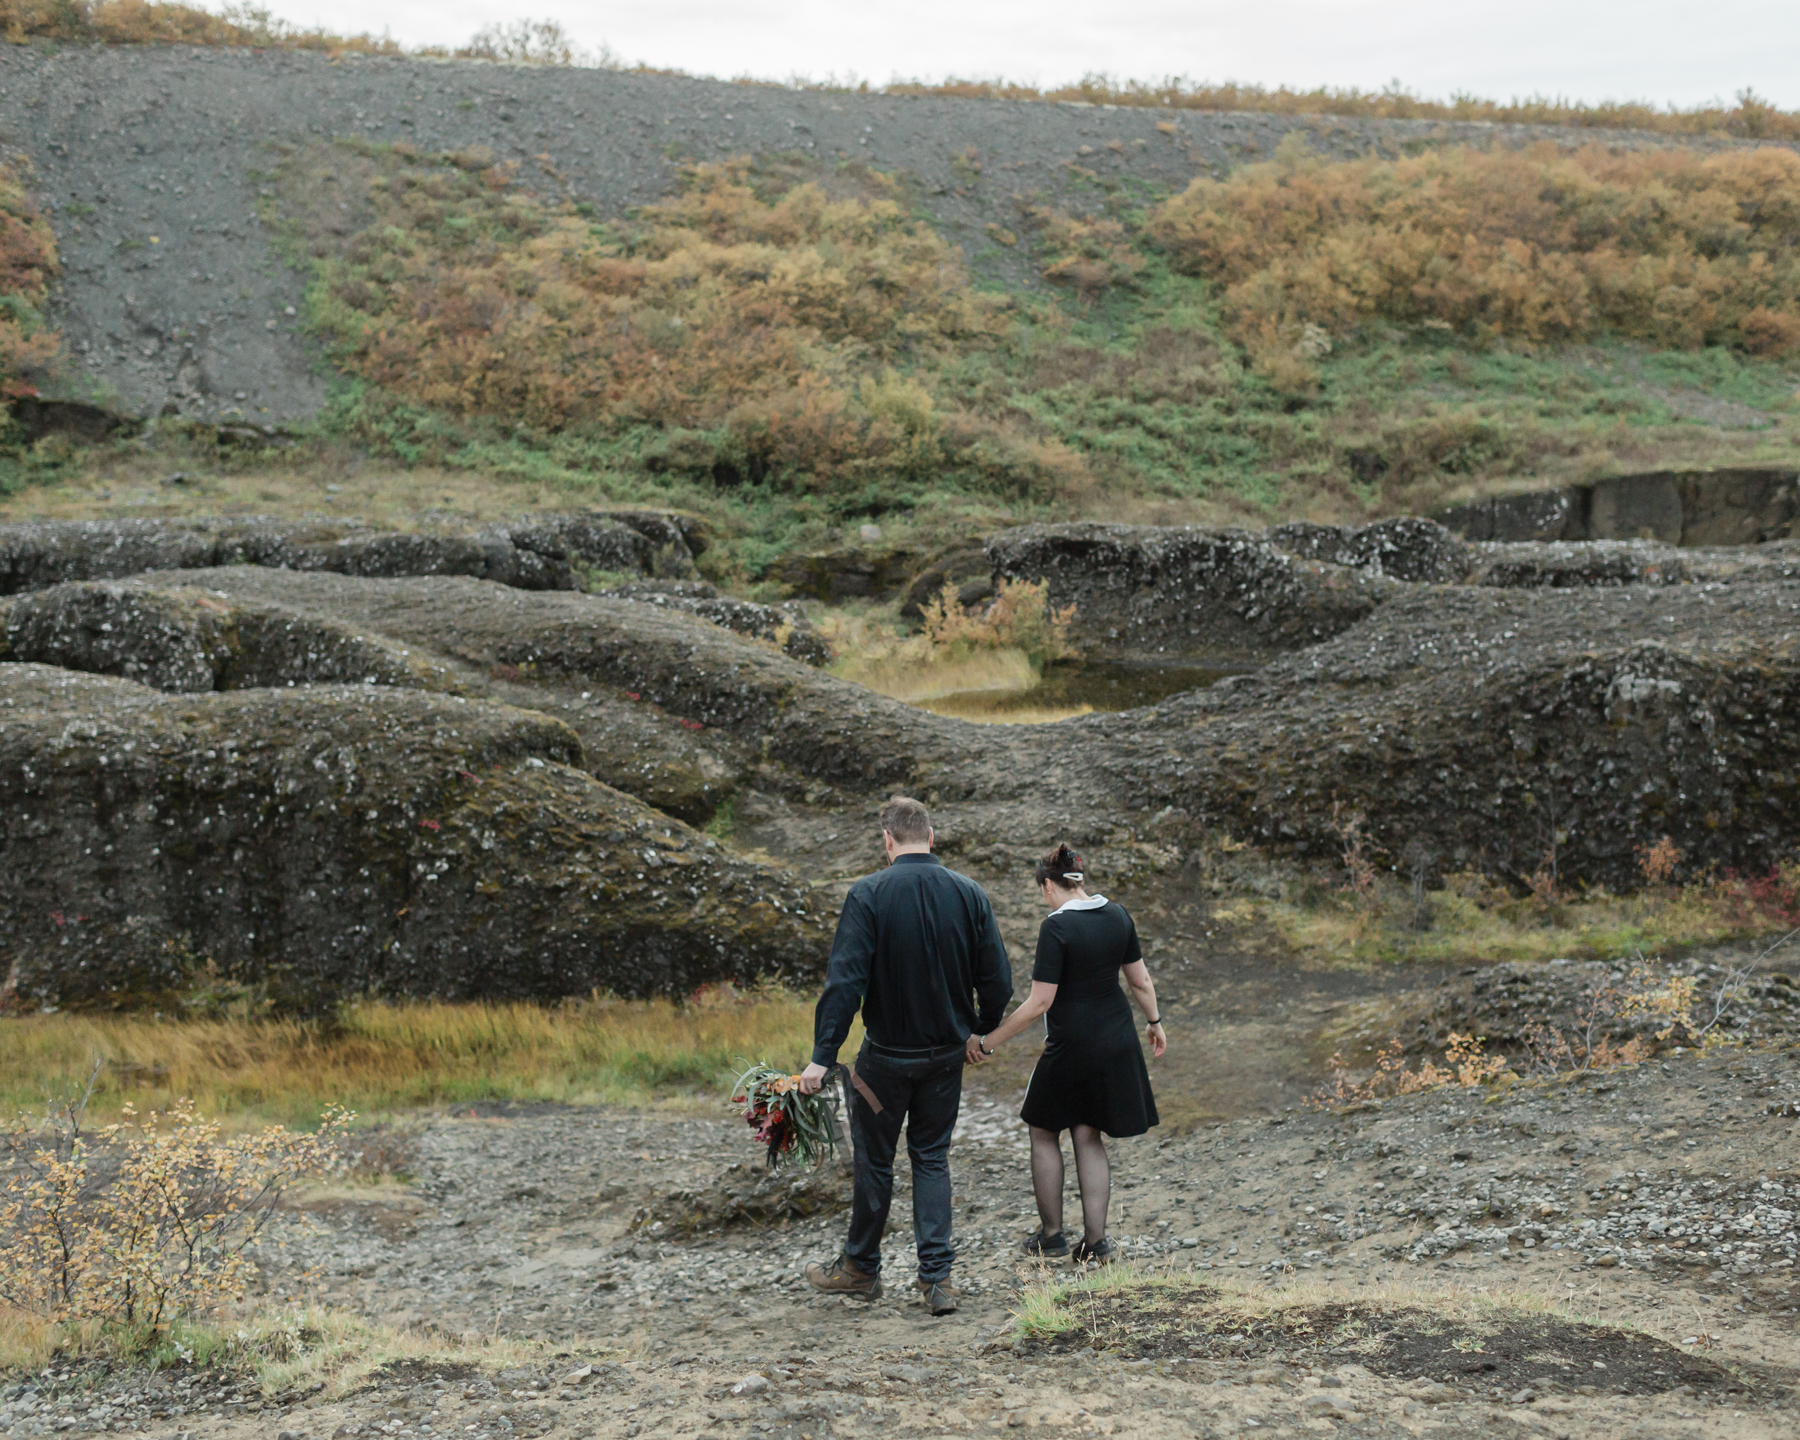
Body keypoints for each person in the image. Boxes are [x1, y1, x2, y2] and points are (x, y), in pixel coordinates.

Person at [798, 796, 1012, 1315]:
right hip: (945, 1058)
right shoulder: (969, 893)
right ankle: (936, 1280)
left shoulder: (868, 893)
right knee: (932, 1159)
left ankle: (861, 1269)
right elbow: (999, 981)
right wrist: (979, 1033)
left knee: (876, 1161)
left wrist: (822, 1057)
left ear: (887, 841)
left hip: (883, 1063)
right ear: (931, 836)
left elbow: (844, 984)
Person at [966, 844, 1163, 1264]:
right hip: (1116, 1038)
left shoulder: (1056, 927)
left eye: (1044, 890)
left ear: (1050, 885)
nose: (1045, 897)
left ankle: (1052, 1235)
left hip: (1072, 1045)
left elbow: (1040, 1002)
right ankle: (1095, 1244)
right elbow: (1140, 980)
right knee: (1087, 1134)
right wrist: (1155, 1022)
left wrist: (988, 1041)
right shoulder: (1117, 914)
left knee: (1041, 1128)